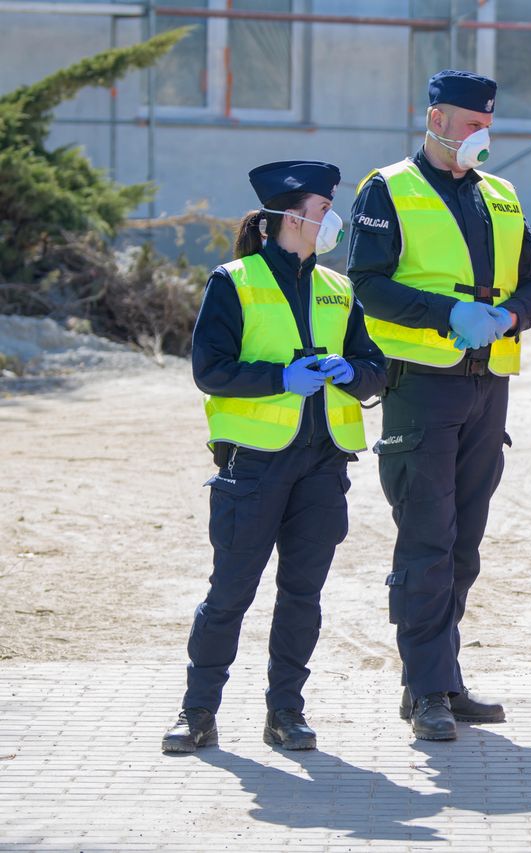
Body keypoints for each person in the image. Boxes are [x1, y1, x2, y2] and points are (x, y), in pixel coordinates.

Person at [347, 70, 531, 741]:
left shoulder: (502, 195)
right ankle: (424, 688)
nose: (480, 136)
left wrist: (509, 316)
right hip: (422, 386)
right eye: (469, 124)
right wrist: (449, 313)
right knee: (427, 542)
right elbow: (369, 287)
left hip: (487, 385)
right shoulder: (388, 189)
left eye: (487, 124)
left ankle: (445, 678)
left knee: (464, 545)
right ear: (435, 118)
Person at [162, 160, 387, 754]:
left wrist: (353, 371)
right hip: (254, 465)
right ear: (291, 217)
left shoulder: (338, 287)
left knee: (302, 596)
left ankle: (286, 712)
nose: (331, 218)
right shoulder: (233, 280)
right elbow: (210, 370)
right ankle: (197, 713)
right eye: (323, 208)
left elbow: (374, 367)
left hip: (323, 464)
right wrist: (280, 378)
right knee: (230, 593)